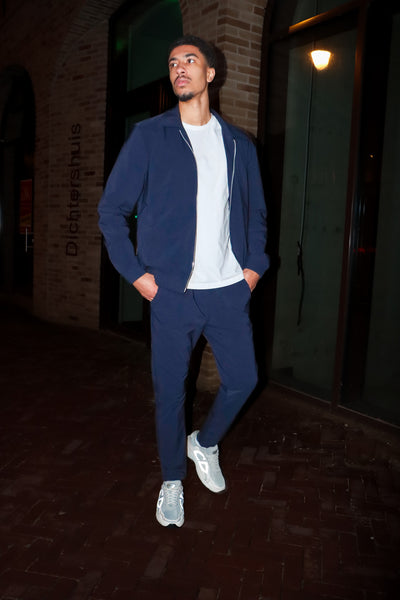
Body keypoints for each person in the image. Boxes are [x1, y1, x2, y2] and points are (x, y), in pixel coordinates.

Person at [98, 34, 269, 527]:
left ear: (210, 73)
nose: (180, 68)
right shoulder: (150, 137)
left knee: (244, 379)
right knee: (171, 392)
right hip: (172, 293)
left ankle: (205, 443)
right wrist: (138, 277)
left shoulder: (238, 144)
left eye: (190, 60)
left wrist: (253, 269)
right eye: (173, 62)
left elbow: (256, 213)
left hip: (228, 290)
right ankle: (172, 479)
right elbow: (112, 211)